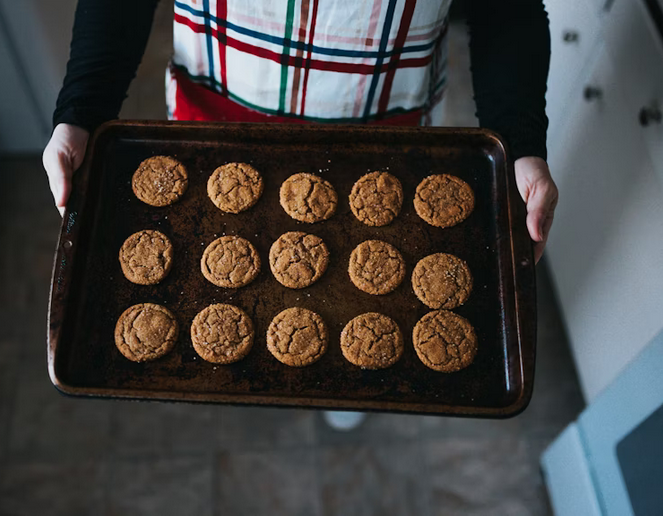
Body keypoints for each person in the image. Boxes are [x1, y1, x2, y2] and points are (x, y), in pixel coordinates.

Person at [43, 0, 558, 430]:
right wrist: (83, 110)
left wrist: (520, 140)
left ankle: (345, 393)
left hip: (387, 141)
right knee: (224, 254)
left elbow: (507, 9)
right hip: (214, 127)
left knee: (349, 349)